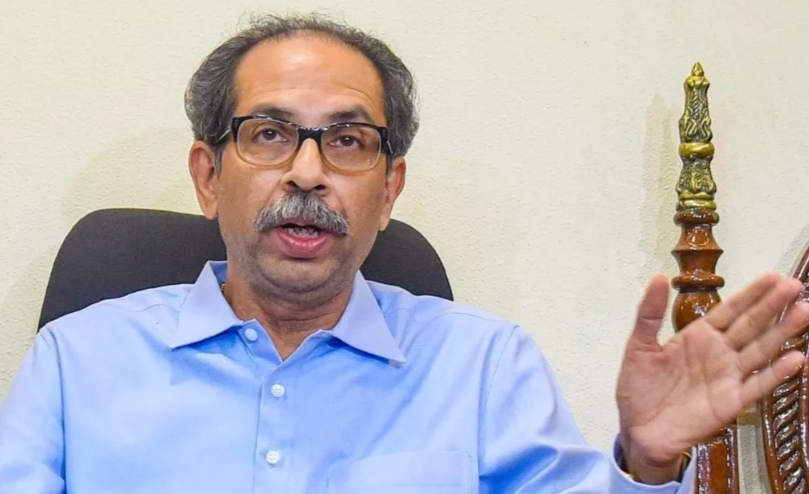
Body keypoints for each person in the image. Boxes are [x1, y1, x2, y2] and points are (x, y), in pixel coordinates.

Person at [0, 14, 806, 494]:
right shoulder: (76, 364)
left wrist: (648, 461)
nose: (307, 172)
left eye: (348, 140)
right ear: (209, 177)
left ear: (388, 191)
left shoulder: (483, 367)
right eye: (270, 134)